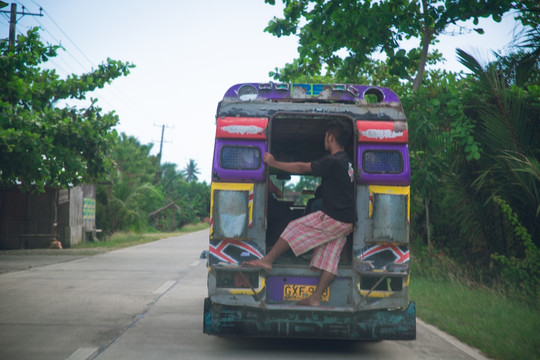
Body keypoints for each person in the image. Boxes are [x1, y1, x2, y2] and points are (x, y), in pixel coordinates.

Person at [243, 119, 355, 306]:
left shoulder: (333, 161)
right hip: (347, 222)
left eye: (325, 137)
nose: (324, 140)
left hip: (334, 218)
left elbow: (302, 168)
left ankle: (267, 261)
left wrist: (274, 162)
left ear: (330, 137)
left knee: (294, 226)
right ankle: (315, 298)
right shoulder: (348, 162)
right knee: (329, 261)